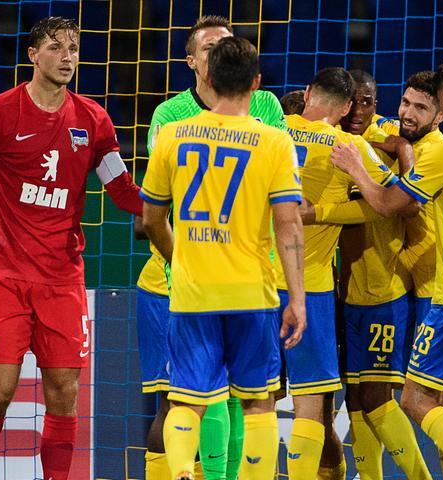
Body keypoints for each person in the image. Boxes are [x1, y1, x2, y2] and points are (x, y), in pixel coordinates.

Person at [0, 17, 143, 480]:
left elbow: (122, 189)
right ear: (32, 55)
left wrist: (169, 209)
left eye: (73, 48)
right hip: (1, 278)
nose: (67, 56)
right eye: (56, 47)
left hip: (62, 279)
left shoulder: (93, 119)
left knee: (64, 390)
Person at [140, 36, 305, 480]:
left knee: (187, 401)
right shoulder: (273, 141)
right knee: (257, 403)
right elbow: (289, 224)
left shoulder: (172, 133)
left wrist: (181, 261)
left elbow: (151, 219)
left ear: (208, 78)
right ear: (256, 81)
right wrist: (299, 299)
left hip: (193, 291)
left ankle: (180, 472)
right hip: (253, 291)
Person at [330, 61, 443, 479]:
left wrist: (355, 167)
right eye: (404, 102)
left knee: (414, 399)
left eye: (426, 105)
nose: (408, 112)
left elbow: (390, 204)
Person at [310, 69, 432, 479]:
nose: (360, 111)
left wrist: (398, 153)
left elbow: (409, 203)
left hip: (385, 290)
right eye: (354, 103)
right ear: (342, 106)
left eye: (369, 102)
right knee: (357, 399)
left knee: (379, 398)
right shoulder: (332, 142)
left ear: (377, 106)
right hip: (343, 294)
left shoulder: (382, 141)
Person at [278, 67, 400, 479]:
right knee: (311, 406)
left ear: (307, 92)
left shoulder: (269, 131)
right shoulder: (347, 145)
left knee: (252, 400)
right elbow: (393, 201)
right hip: (309, 288)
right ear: (347, 107)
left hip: (257, 285)